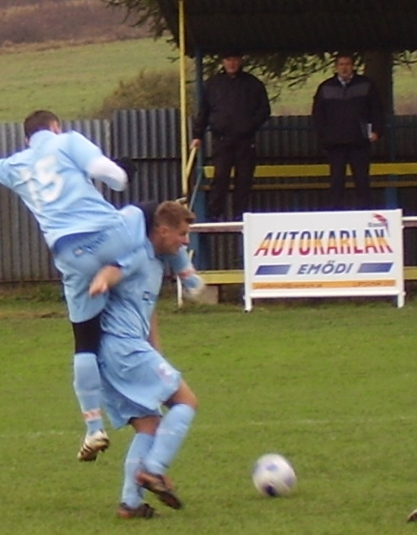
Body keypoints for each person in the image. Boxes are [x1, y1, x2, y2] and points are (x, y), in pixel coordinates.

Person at [0, 110, 146, 462]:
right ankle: (180, 277)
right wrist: (125, 171)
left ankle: (93, 427)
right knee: (145, 214)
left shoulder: (17, 164)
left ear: (26, 139)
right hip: (109, 235)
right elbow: (108, 174)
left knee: (84, 340)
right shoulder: (67, 141)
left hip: (70, 253)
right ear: (55, 126)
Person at [89, 200, 200, 519]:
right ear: (161, 231)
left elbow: (148, 312)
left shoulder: (158, 262)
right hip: (121, 348)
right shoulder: (138, 253)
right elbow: (113, 270)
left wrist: (156, 352)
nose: (184, 241)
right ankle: (153, 469)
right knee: (186, 401)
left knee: (148, 425)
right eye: (181, 234)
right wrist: (102, 282)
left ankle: (131, 503)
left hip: (117, 354)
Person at [192, 51, 271, 222]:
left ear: (240, 61)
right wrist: (197, 135)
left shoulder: (253, 84)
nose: (232, 64)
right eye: (228, 60)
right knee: (220, 177)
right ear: (223, 62)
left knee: (244, 179)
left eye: (235, 59)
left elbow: (264, 110)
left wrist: (249, 126)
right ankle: (214, 214)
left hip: (245, 140)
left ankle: (240, 215)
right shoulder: (212, 84)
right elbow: (203, 111)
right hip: (221, 140)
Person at [312, 52, 385, 210]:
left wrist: (377, 130)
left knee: (362, 180)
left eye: (347, 64)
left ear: (353, 66)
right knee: (336, 182)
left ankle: (365, 214)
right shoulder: (326, 87)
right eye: (341, 65)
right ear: (336, 67)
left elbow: (377, 110)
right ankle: (336, 215)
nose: (344, 68)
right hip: (335, 143)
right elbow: (318, 114)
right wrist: (324, 135)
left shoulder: (366, 85)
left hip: (359, 141)